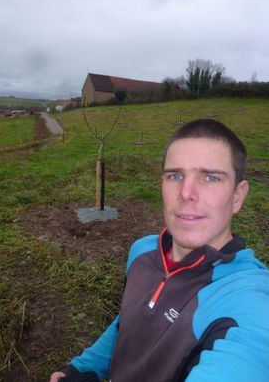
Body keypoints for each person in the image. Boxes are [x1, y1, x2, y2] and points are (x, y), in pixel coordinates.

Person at [50, 119, 269, 382]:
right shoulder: (142, 252)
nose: (186, 193)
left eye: (211, 177)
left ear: (237, 196)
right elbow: (127, 323)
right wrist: (82, 367)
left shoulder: (245, 300)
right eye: (175, 175)